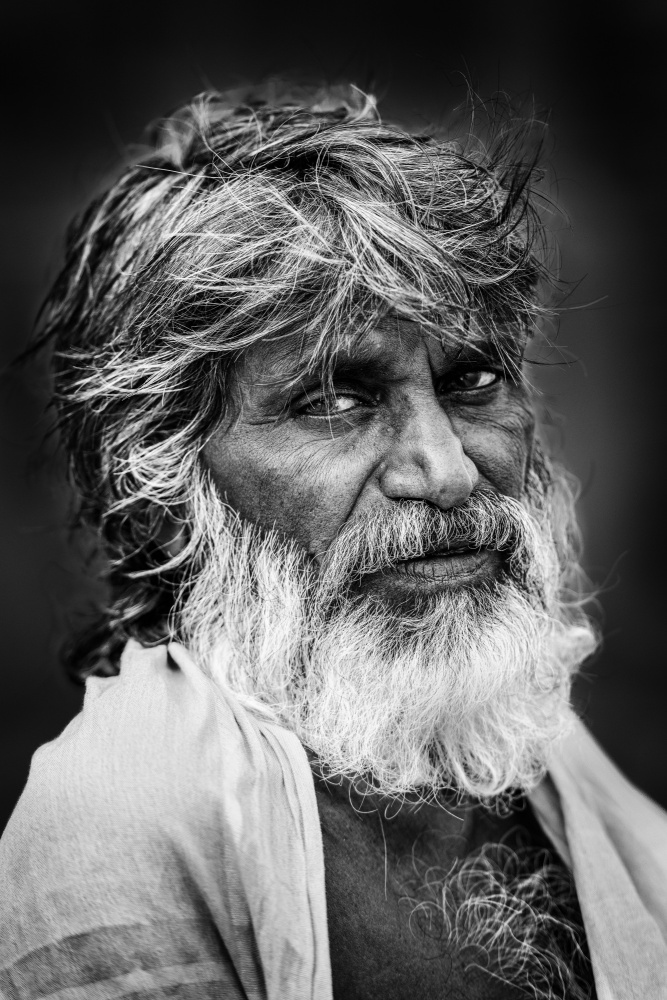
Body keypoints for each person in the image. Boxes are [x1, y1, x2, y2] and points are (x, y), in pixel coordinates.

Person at [1, 83, 666, 1000]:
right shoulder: (120, 825)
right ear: (162, 487)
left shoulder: (521, 741)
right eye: (333, 400)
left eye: (471, 380)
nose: (445, 471)